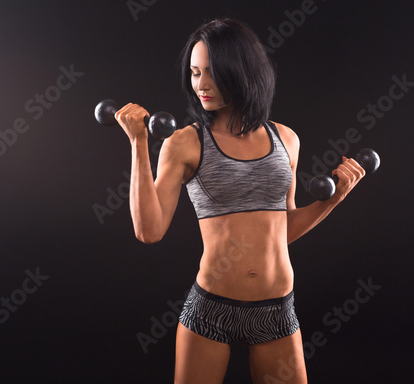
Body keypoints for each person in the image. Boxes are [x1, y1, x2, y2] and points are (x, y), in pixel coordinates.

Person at [114, 18, 365, 384]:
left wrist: (333, 199)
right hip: (211, 310)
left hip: (276, 311)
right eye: (194, 72)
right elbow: (148, 231)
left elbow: (283, 229)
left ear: (242, 70)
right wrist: (138, 144)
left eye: (212, 72)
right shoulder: (185, 142)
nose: (200, 84)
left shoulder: (286, 140)